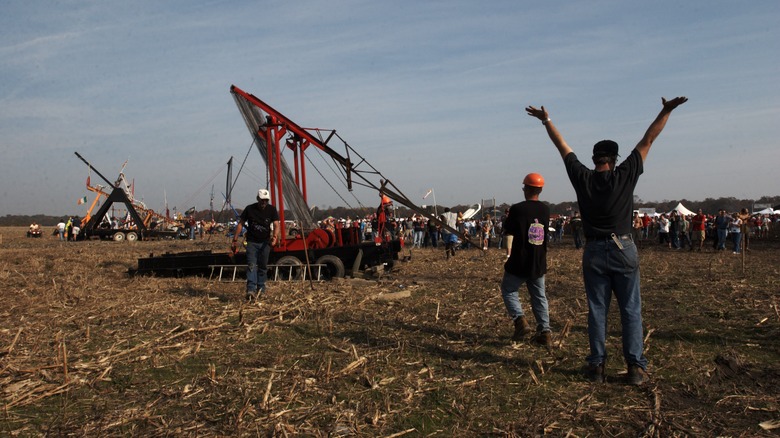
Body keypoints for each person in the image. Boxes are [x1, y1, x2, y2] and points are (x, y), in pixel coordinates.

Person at [526, 95, 688, 385]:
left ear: (593, 160)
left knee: (597, 310)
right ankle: (635, 368)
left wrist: (546, 120)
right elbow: (649, 139)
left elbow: (561, 147)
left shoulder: (582, 177)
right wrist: (666, 110)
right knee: (630, 310)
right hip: (623, 246)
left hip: (594, 250)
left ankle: (597, 366)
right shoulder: (625, 175)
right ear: (614, 160)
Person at [500, 172, 552, 346]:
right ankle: (545, 332)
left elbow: (509, 229)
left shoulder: (517, 209)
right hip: (538, 260)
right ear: (540, 189)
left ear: (526, 189)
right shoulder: (545, 209)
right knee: (539, 296)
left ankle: (520, 321)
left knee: (508, 289)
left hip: (520, 260)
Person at [232, 189, 281, 302]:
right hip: (252, 242)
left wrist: (274, 237)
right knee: (251, 265)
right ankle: (251, 290)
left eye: (266, 200)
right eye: (262, 200)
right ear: (257, 199)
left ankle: (261, 290)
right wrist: (234, 239)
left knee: (263, 267)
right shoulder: (250, 209)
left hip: (265, 243)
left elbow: (276, 224)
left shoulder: (272, 210)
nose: (264, 203)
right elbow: (241, 224)